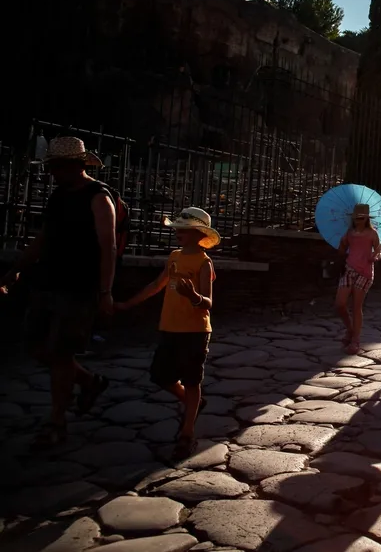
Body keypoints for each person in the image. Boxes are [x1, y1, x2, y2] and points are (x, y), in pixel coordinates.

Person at [0, 137, 116, 449]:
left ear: (74, 166)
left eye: (56, 167)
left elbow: (109, 246)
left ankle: (56, 421)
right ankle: (90, 382)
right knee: (38, 349)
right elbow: (43, 236)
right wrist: (16, 268)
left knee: (62, 353)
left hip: (79, 286)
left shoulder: (98, 196)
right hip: (47, 281)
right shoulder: (58, 196)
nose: (51, 172)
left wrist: (106, 291)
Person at [116, 207, 219, 459]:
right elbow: (156, 284)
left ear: (198, 233)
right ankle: (192, 405)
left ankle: (187, 432)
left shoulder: (204, 262)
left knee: (193, 380)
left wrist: (193, 296)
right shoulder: (173, 256)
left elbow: (208, 301)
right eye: (177, 228)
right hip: (169, 327)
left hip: (195, 330)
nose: (177, 233)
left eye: (183, 229)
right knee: (160, 376)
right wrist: (127, 304)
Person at [336, 204, 381, 354]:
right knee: (340, 303)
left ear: (366, 219)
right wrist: (341, 247)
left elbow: (379, 252)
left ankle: (355, 340)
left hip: (365, 272)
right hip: (349, 269)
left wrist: (376, 256)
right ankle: (350, 330)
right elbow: (342, 248)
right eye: (355, 218)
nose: (358, 221)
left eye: (361, 218)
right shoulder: (349, 233)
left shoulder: (372, 233)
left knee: (356, 306)